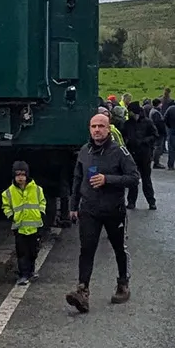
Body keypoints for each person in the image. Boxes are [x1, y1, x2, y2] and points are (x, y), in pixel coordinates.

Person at [67, 110, 138, 312]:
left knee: (118, 249)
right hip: (89, 209)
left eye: (101, 126)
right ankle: (82, 291)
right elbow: (77, 179)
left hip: (113, 209)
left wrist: (108, 179)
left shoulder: (119, 152)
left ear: (108, 129)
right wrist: (73, 206)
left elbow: (134, 178)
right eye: (94, 127)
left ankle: (123, 284)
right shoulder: (84, 151)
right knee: (86, 249)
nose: (97, 130)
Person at [1, 161, 48, 280]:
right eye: (17, 175)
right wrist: (11, 216)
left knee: (33, 251)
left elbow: (42, 202)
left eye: (22, 174)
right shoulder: (8, 192)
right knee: (22, 252)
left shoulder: (37, 189)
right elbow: (5, 206)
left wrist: (41, 213)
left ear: (27, 175)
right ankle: (24, 274)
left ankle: (31, 271)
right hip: (19, 227)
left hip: (35, 226)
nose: (20, 177)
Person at [122, 100, 162, 209]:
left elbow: (155, 135)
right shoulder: (127, 124)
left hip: (144, 154)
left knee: (146, 179)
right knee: (133, 179)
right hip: (131, 154)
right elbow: (123, 136)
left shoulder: (147, 122)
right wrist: (127, 141)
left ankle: (151, 201)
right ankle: (131, 201)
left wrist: (145, 141)